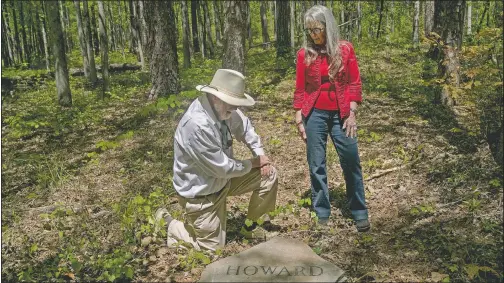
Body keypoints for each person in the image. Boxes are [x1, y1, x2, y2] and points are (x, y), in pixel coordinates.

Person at [155, 69, 278, 251]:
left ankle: (251, 226)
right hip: (202, 194)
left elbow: (245, 128)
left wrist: (260, 155)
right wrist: (252, 163)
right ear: (215, 97)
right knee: (211, 249)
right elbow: (222, 168)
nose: (235, 108)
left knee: (268, 175)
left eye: (237, 104)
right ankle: (170, 225)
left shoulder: (224, 109)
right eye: (232, 103)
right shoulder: (197, 125)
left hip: (223, 181)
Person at [293, 5, 370, 232]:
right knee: (316, 163)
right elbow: (300, 88)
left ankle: (359, 210)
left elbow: (355, 83)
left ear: (328, 26)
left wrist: (352, 113)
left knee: (351, 160)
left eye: (317, 29)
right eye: (309, 30)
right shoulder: (304, 54)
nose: (313, 35)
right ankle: (322, 211)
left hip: (342, 113)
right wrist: (299, 117)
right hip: (314, 113)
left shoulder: (345, 49)